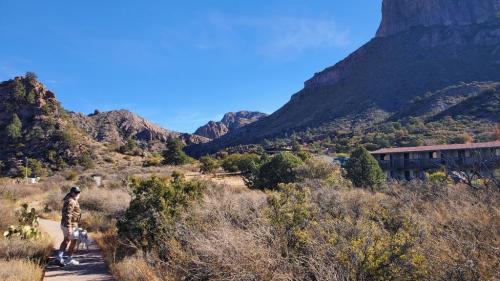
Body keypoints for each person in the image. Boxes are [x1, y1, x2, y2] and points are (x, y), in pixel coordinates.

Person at [56, 186, 81, 266]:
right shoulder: (71, 201)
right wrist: (69, 227)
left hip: (66, 224)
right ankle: (68, 259)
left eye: (78, 192)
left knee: (67, 240)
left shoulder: (71, 199)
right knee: (72, 241)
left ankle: (59, 257)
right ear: (72, 192)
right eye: (76, 192)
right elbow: (68, 214)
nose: (78, 194)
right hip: (70, 225)